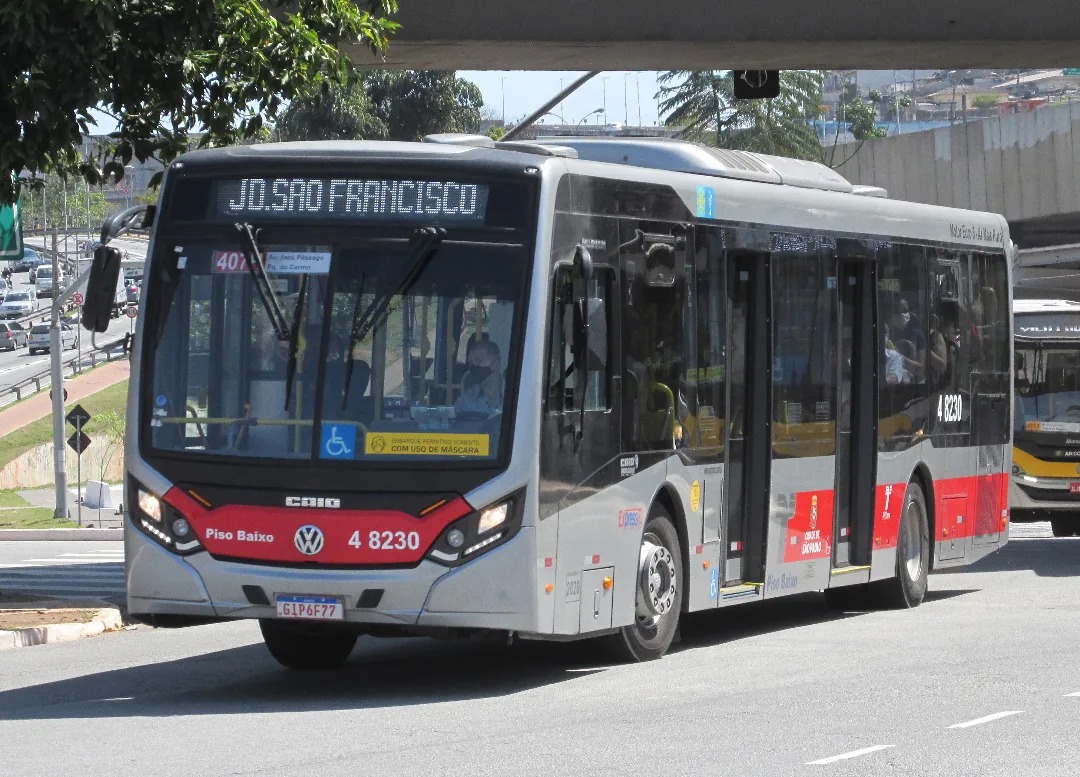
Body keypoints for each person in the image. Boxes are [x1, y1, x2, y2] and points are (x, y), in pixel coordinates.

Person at [454, 338, 504, 415]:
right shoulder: (465, 402)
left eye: (479, 361)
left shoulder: (519, 394)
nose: (474, 366)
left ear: (496, 363)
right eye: (471, 363)